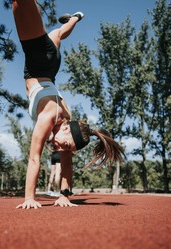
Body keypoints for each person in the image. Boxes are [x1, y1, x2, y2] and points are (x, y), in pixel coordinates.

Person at [12, 0, 124, 210]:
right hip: (38, 61)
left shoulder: (68, 127)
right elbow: (34, 158)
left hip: (51, 67)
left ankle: (74, 18)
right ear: (65, 127)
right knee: (19, 3)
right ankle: (71, 18)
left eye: (66, 148)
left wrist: (65, 195)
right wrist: (29, 197)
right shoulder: (49, 118)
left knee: (58, 33)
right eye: (65, 145)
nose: (60, 148)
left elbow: (67, 164)